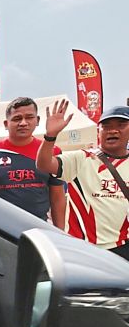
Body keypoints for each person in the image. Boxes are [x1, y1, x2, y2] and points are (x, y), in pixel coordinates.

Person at [36, 100, 129, 249]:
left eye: (121, 125)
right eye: (106, 126)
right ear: (98, 131)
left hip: (122, 246)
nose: (112, 131)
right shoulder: (81, 158)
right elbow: (44, 164)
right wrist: (50, 136)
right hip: (84, 248)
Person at [0, 97, 66, 228]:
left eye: (29, 117)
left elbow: (58, 196)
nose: (23, 123)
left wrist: (60, 233)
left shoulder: (52, 152)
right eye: (17, 119)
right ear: (6, 124)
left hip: (39, 230)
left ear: (38, 121)